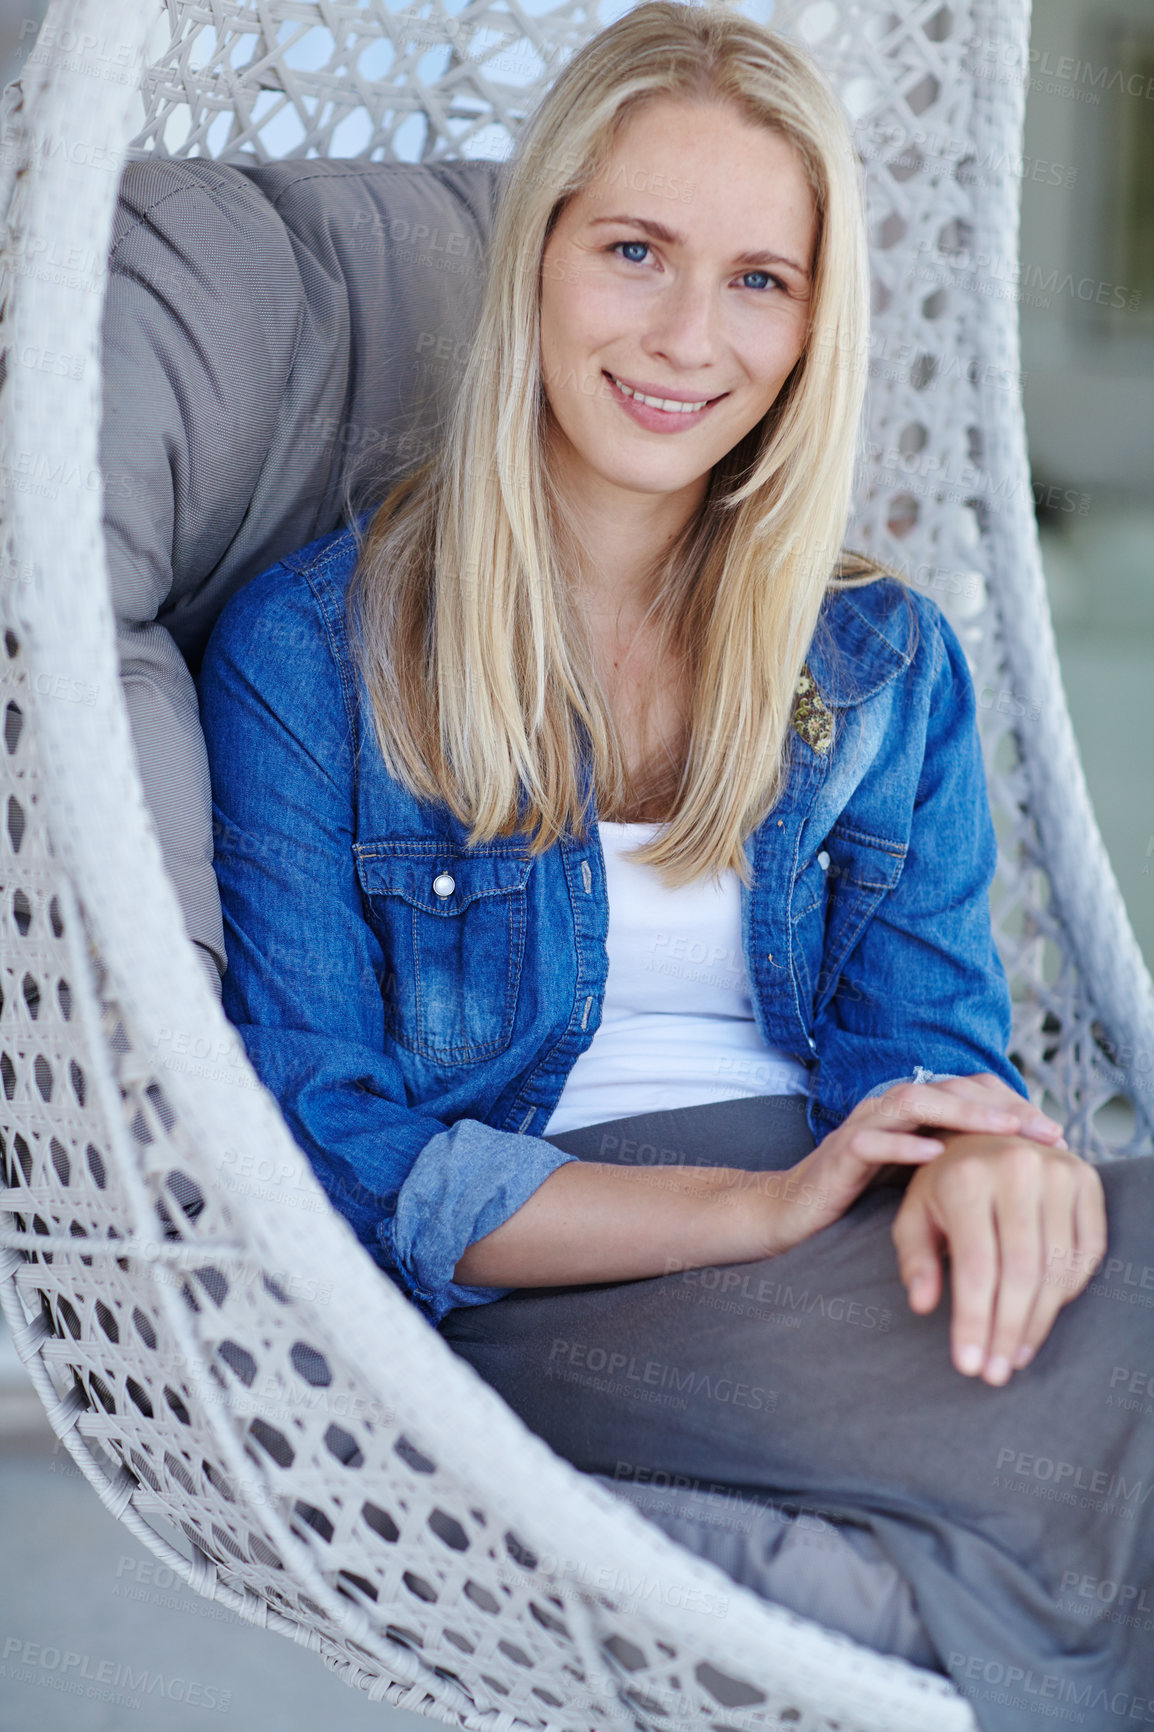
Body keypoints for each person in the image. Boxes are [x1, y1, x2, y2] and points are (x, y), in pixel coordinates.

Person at [197, 5, 1154, 1726]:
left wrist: (987, 1152)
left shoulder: (875, 657)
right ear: (540, 252)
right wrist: (761, 1211)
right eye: (633, 249)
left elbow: (924, 1039)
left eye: (757, 280)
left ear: (811, 325)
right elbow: (339, 1152)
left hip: (846, 1224)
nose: (683, 337)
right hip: (565, 1285)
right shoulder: (317, 650)